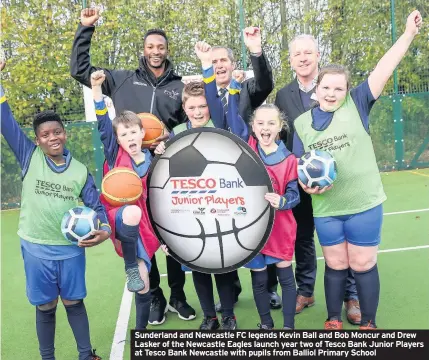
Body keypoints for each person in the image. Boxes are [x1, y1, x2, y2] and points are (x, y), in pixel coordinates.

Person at [293, 10, 423, 329]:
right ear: (317, 89)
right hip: (327, 207)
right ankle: (333, 318)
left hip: (364, 204)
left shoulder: (358, 103)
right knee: (336, 264)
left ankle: (369, 322)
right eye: (327, 88)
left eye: (339, 89)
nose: (332, 93)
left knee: (362, 264)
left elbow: (384, 67)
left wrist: (407, 34)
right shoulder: (301, 123)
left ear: (346, 90)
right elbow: (299, 165)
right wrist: (307, 186)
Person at [71, 7, 194, 325]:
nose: (156, 51)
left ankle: (178, 295)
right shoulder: (123, 80)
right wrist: (86, 28)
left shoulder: (178, 88)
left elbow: (190, 126)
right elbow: (80, 68)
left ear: (167, 51)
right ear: (144, 49)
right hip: (130, 171)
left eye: (161, 47)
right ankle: (155, 297)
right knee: (143, 235)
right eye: (151, 46)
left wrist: (169, 137)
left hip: (163, 168)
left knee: (172, 232)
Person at [0, 61, 110, 360]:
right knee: (45, 306)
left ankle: (86, 355)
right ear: (38, 140)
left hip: (71, 248)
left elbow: (96, 206)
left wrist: (104, 230)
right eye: (46, 134)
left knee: (74, 301)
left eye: (57, 132)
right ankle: (47, 357)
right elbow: (5, 120)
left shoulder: (79, 170)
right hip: (36, 247)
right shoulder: (29, 157)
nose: (53, 137)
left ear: (65, 134)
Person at [275, 34, 361, 324]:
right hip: (300, 181)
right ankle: (306, 290)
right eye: (297, 54)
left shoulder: (335, 90)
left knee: (341, 239)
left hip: (335, 182)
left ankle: (351, 295)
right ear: (291, 60)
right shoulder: (283, 95)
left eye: (308, 53)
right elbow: (284, 136)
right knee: (302, 238)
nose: (303, 58)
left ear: (317, 56)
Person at [210, 26, 281, 311]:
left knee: (262, 229)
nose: (218, 66)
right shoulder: (207, 95)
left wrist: (256, 51)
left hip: (251, 174)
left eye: (223, 61)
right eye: (214, 62)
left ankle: (270, 289)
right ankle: (230, 292)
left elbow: (264, 82)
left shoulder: (247, 89)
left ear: (232, 64)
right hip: (218, 176)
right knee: (222, 234)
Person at [245, 104, 300, 329]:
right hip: (252, 229)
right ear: (253, 127)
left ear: (280, 127)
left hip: (280, 228)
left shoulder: (290, 160)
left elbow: (295, 195)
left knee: (286, 278)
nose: (265, 128)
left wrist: (283, 200)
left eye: (271, 123)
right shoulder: (245, 152)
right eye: (260, 123)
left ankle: (288, 326)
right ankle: (266, 323)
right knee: (258, 279)